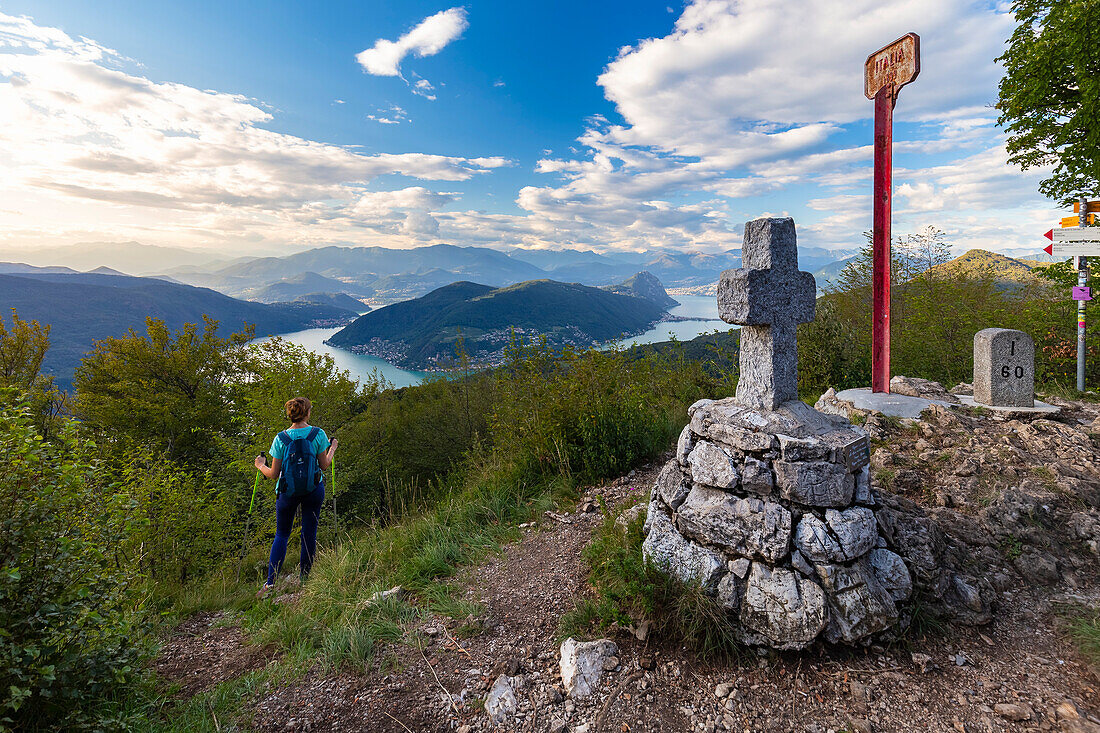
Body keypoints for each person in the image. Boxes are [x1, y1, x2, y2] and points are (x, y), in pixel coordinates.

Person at [254, 397, 338, 596]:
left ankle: (270, 584)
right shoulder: (318, 434)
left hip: (287, 493)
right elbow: (324, 464)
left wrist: (259, 465)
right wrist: (332, 448)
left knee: (282, 534)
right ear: (307, 413)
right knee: (309, 532)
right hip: (313, 490)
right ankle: (305, 579)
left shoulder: (280, 439)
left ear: (290, 415)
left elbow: (273, 474)